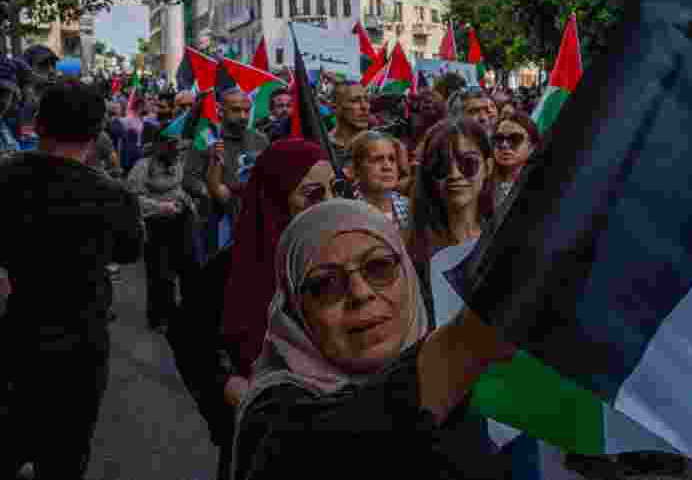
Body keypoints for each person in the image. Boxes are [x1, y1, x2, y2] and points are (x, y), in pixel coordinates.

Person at [229, 199, 515, 480]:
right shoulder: (272, 418)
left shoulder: (459, 387)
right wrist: (463, 344)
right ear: (295, 311)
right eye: (326, 284)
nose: (360, 292)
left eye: (379, 267)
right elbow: (326, 451)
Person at [0, 80, 145, 479]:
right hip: (80, 343)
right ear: (97, 134)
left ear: (38, 124)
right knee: (65, 455)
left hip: (15, 331)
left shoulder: (6, 177)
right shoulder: (113, 197)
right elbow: (128, 252)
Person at [169, 139, 335, 480]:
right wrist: (226, 384)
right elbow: (188, 337)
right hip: (260, 441)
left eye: (337, 189)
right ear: (276, 197)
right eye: (314, 194)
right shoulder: (229, 270)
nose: (331, 204)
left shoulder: (347, 259)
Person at [406, 118, 495, 317]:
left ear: (487, 167)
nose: (454, 174)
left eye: (468, 163)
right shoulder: (412, 253)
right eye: (441, 165)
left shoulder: (505, 237)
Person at [185, 86, 269, 260]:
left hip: (251, 221)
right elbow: (188, 178)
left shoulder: (260, 139)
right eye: (236, 110)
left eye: (247, 111)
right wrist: (210, 192)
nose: (243, 116)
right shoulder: (205, 138)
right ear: (220, 111)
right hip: (215, 222)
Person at [125, 136, 197, 333]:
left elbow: (181, 186)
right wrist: (159, 206)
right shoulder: (143, 165)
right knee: (160, 273)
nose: (176, 150)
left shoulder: (180, 161)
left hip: (181, 221)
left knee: (188, 268)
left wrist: (186, 200)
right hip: (155, 224)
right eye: (171, 146)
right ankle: (160, 317)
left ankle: (188, 313)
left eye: (177, 146)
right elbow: (131, 197)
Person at [344, 131, 412, 230]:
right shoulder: (347, 215)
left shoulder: (410, 208)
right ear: (356, 168)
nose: (387, 167)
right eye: (377, 160)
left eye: (392, 159)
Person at [492, 112, 540, 207]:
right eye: (499, 138)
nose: (504, 145)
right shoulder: (480, 184)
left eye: (515, 139)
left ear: (532, 147)